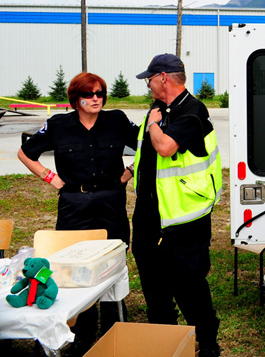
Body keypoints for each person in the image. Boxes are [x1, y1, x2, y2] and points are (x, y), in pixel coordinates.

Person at [17, 72, 139, 351]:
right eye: (89, 94)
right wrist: (51, 178)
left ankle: (112, 326)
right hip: (75, 203)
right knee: (77, 266)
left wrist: (130, 171)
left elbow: (147, 144)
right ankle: (84, 329)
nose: (96, 99)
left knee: (112, 262)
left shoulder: (117, 120)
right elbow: (26, 153)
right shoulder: (59, 125)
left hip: (110, 201)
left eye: (100, 94)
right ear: (76, 99)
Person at [131, 53, 222, 357]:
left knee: (188, 285)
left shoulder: (192, 112)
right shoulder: (158, 109)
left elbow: (165, 147)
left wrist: (155, 124)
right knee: (153, 284)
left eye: (150, 79)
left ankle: (207, 343)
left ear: (164, 78)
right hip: (148, 214)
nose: (148, 85)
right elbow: (147, 154)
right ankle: (165, 341)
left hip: (184, 218)